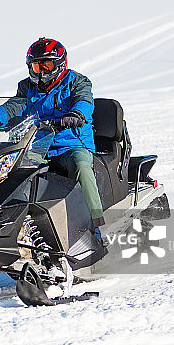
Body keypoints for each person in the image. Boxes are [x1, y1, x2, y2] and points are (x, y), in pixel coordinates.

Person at [17, 37, 105, 230]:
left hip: (71, 143)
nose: (41, 72)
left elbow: (84, 101)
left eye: (46, 66)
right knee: (14, 172)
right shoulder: (26, 87)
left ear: (60, 64)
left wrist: (76, 114)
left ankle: (95, 224)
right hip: (39, 147)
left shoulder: (77, 81)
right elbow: (13, 108)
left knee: (81, 166)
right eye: (36, 67)